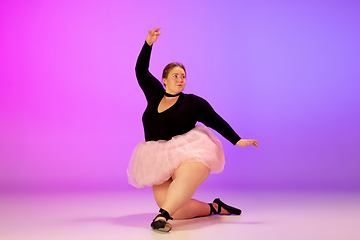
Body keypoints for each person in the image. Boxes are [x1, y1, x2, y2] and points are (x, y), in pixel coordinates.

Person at [127, 27, 259, 232]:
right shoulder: (154, 93)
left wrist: (237, 140)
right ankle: (215, 207)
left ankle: (161, 218)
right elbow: (140, 71)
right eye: (176, 75)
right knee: (175, 209)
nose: (181, 79)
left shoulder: (193, 103)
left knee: (168, 207)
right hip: (157, 156)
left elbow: (215, 120)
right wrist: (148, 44)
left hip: (188, 152)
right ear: (164, 79)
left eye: (183, 76)